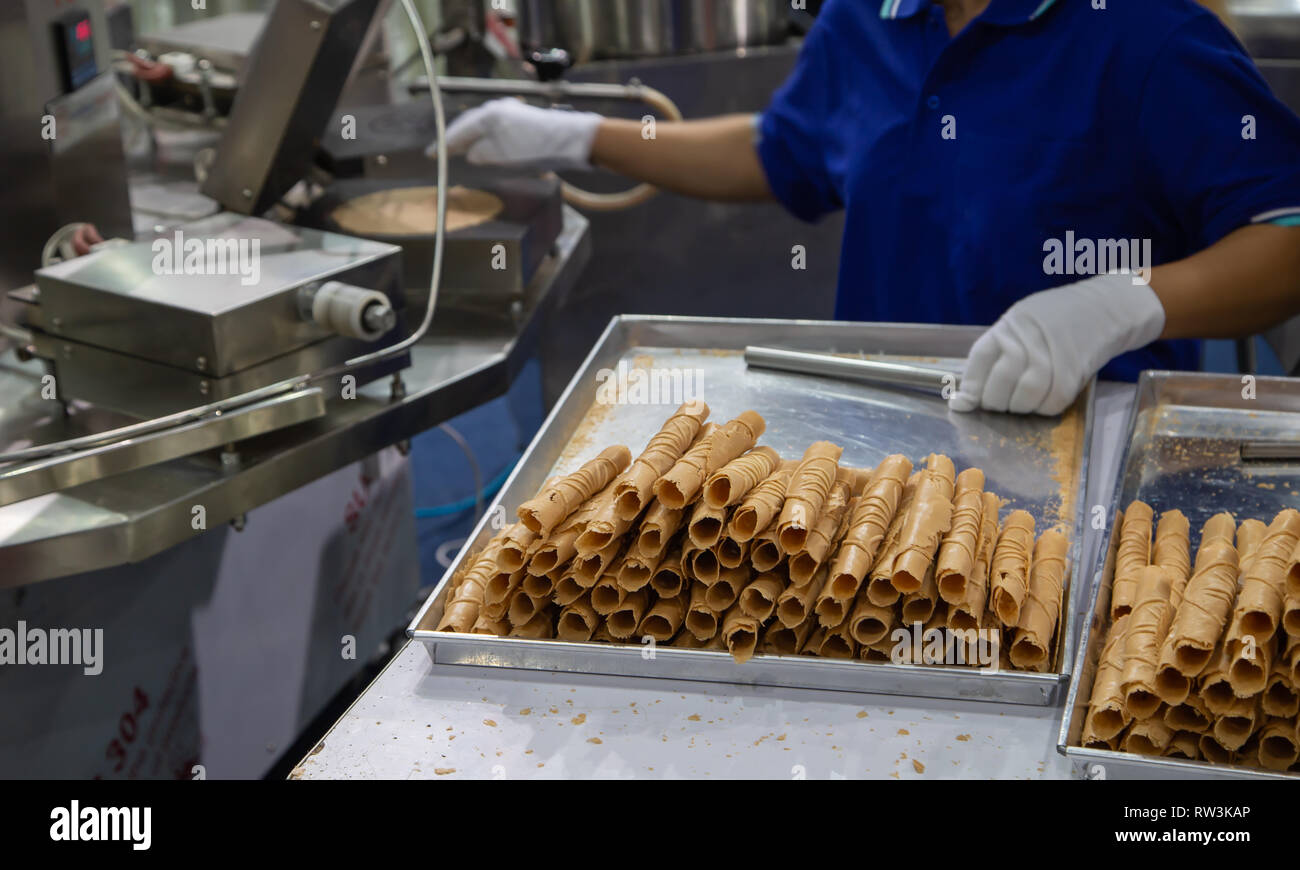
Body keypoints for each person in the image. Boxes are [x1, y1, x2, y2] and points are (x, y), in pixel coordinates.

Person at [443, 0, 1300, 415]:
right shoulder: (871, 20)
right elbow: (784, 148)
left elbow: (1285, 235)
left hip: (1086, 439)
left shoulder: (1146, 36)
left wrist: (1119, 305)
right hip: (882, 432)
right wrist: (583, 137)